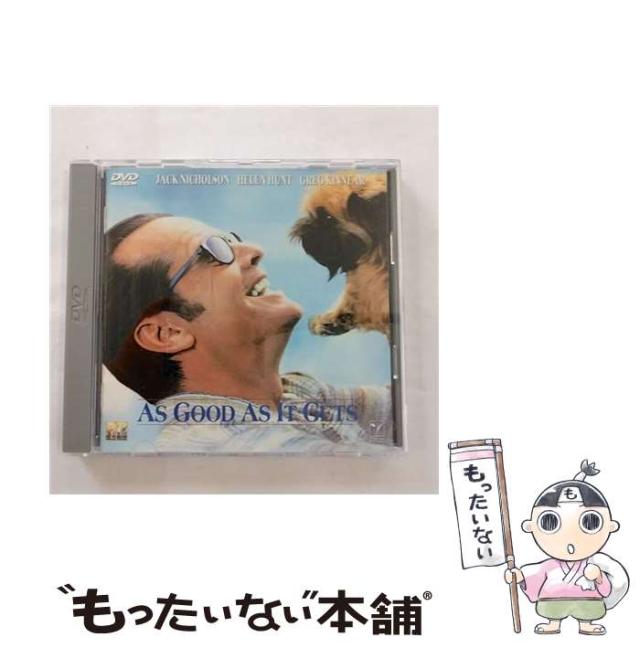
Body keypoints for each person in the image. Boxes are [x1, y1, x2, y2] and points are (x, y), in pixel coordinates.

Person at [103, 213, 394, 453]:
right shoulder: (221, 448)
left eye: (231, 240)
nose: (255, 250)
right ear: (167, 333)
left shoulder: (294, 394)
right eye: (211, 251)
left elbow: (407, 414)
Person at [505, 460, 629, 635]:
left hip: (588, 603)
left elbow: (605, 589)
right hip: (552, 602)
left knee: (589, 609)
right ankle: (553, 623)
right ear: (530, 526)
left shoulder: (594, 563)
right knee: (550, 609)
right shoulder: (549, 566)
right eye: (550, 522)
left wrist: (599, 577)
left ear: (610, 526)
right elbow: (535, 575)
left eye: (590, 522)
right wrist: (519, 576)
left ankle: (586, 623)